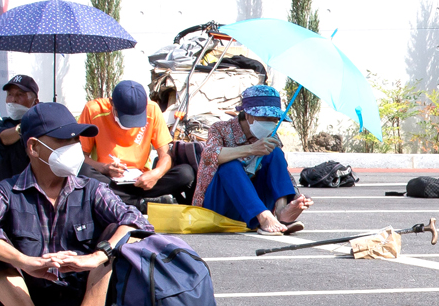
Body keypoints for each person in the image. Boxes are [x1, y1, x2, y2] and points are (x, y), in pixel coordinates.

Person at [0, 102, 152, 306]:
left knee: (120, 241)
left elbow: (138, 223)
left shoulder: (92, 189)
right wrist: (25, 261)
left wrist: (97, 256)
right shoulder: (6, 192)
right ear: (33, 147)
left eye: (75, 140)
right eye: (63, 140)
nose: (73, 147)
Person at [196, 85, 312, 235]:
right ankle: (264, 217)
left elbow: (281, 171)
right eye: (266, 118)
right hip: (219, 205)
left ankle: (281, 211)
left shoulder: (271, 135)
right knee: (230, 166)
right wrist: (251, 149)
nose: (271, 123)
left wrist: (296, 197)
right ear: (248, 115)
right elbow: (209, 155)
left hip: (253, 207)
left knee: (275, 153)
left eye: (275, 119)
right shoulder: (220, 129)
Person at [79, 79, 194, 204]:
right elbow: (80, 157)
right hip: (109, 181)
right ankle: (140, 203)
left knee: (186, 174)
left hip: (142, 182)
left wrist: (156, 174)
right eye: (125, 117)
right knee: (83, 171)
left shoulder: (152, 109)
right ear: (112, 103)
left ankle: (124, 201)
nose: (130, 125)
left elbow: (165, 155)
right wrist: (105, 168)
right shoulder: (93, 110)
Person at [0, 74, 41, 182]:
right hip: (5, 185)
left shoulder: (43, 121)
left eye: (20, 95)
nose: (13, 99)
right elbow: (3, 138)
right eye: (10, 94)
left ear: (35, 102)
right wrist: (23, 127)